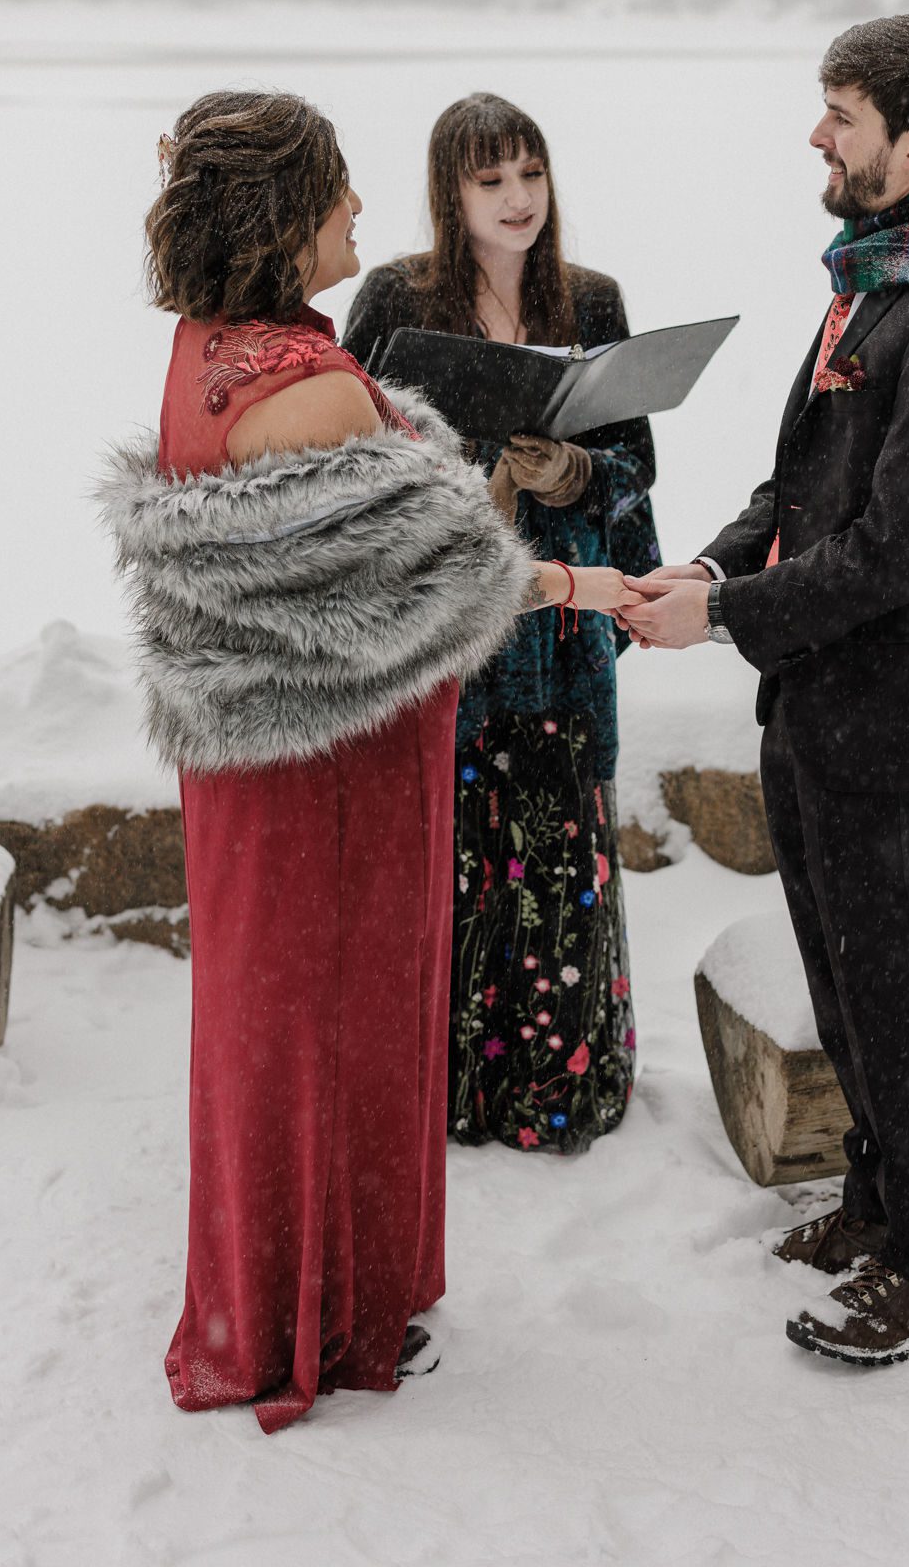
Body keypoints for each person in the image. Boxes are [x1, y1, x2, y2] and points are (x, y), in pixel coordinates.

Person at [98, 91, 634, 1433]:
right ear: (287, 220)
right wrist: (585, 583)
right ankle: (327, 1319)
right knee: (337, 1031)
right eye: (335, 191)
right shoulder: (321, 391)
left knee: (266, 1027)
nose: (354, 211)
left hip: (254, 756)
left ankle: (276, 1290)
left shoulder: (209, 348)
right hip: (341, 774)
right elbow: (442, 589)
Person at [622, 16, 909, 1366]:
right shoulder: (875, 276)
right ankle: (878, 1203)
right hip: (819, 696)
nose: (816, 134)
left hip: (901, 712)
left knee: (908, 987)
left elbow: (902, 548)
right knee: (843, 972)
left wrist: (722, 617)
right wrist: (714, 557)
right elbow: (803, 491)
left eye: (842, 115)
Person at [343, 92, 660, 1155]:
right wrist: (453, 470)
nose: (518, 199)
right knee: (448, 849)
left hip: (560, 632)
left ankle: (555, 1090)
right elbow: (348, 451)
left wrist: (574, 468)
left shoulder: (592, 299)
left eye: (530, 174)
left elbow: (637, 468)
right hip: (452, 624)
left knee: (558, 847)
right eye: (491, 181)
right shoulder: (397, 295)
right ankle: (442, 1090)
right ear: (450, 192)